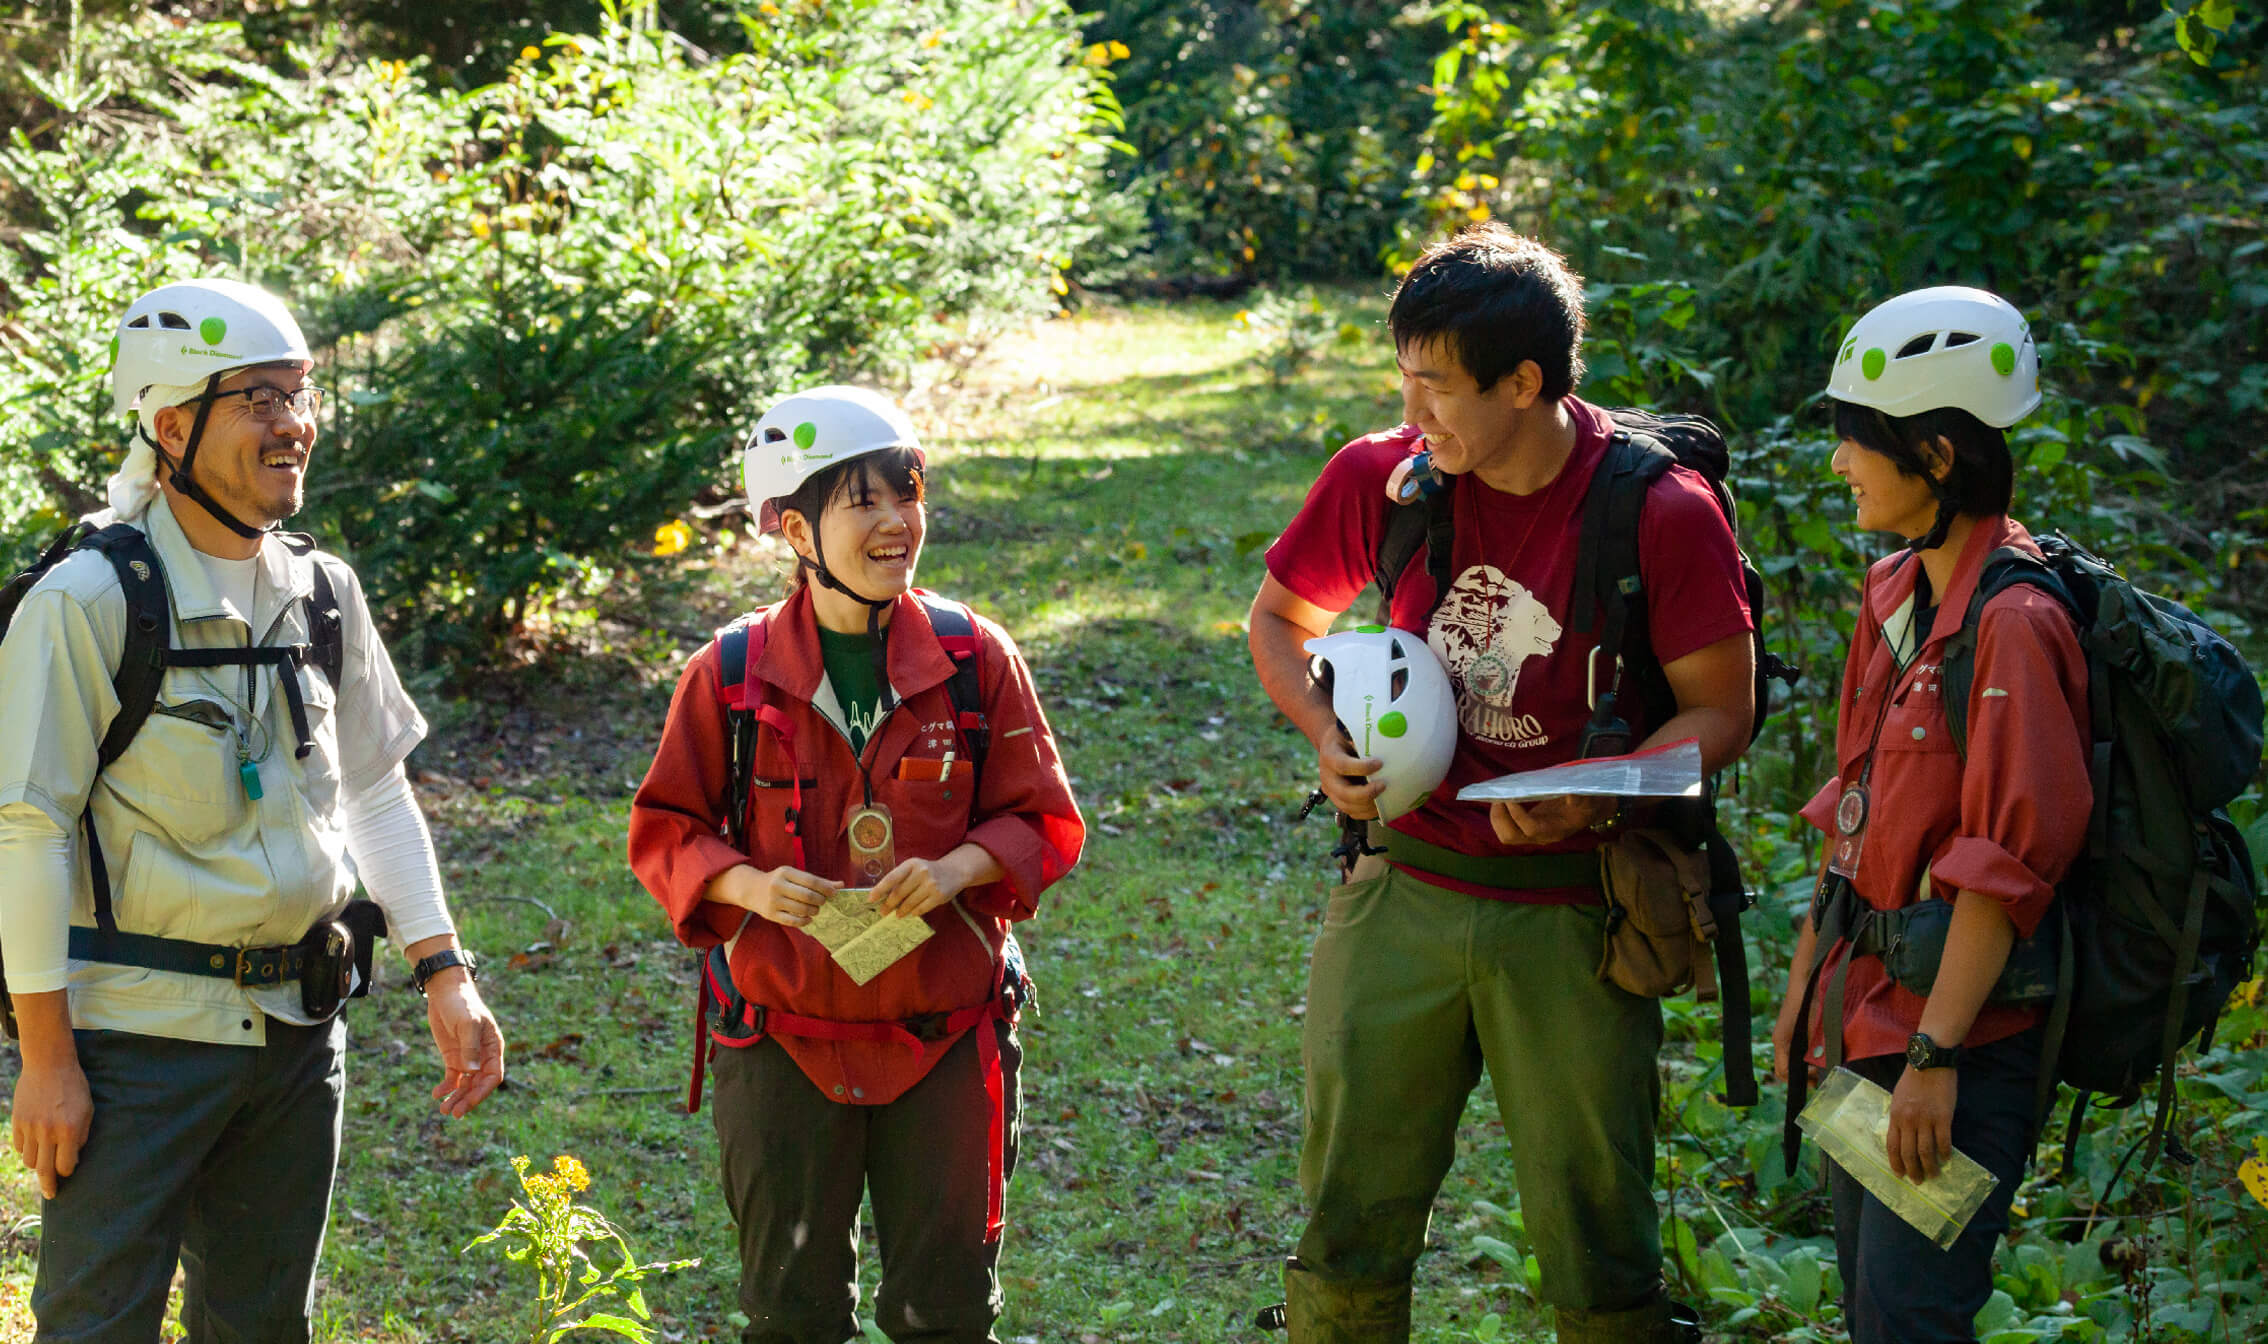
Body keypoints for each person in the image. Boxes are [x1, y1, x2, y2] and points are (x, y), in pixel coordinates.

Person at [1246, 223, 1757, 1343]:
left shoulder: (1658, 512)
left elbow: (1726, 711)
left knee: (1599, 1236)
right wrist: (1324, 731)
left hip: (1576, 913)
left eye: (1438, 389)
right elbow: (1280, 619)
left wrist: (1606, 792)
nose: (1412, 414)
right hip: (1401, 888)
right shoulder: (1386, 480)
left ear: (1525, 383)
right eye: (1405, 381)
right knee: (1347, 1219)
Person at [0, 277, 505, 1340]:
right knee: (98, 1327)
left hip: (297, 1036)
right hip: (132, 1049)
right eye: (259, 401)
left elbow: (372, 787)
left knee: (265, 1326)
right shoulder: (88, 600)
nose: (295, 426)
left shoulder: (324, 592)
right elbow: (29, 829)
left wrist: (443, 969)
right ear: (171, 424)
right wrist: (47, 1061)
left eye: (302, 395)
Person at [627, 385, 1083, 1344]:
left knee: (946, 1311)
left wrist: (962, 866)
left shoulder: (972, 657)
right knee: (790, 1316)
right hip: (782, 1040)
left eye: (905, 493)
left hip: (945, 1039)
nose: (895, 524)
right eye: (861, 502)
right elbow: (664, 825)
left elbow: (1042, 819)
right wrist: (745, 883)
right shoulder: (732, 673)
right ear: (794, 528)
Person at [1771, 287, 2089, 1343]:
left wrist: (1936, 1060)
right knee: (1876, 1310)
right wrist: (1803, 988)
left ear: (1939, 457)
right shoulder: (1893, 599)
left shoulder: (2018, 627)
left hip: (1955, 1051)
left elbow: (2006, 865)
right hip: (1865, 1022)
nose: (1838, 465)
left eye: (1859, 443)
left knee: (1914, 1318)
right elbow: (1855, 820)